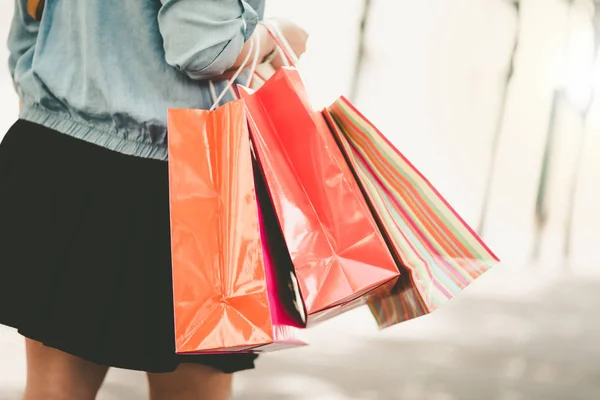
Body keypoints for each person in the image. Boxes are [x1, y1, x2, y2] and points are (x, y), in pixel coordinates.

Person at [0, 1, 307, 399]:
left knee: (54, 390)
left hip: (55, 153)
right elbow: (203, 47)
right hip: (179, 179)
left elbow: (28, 27)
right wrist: (277, 35)